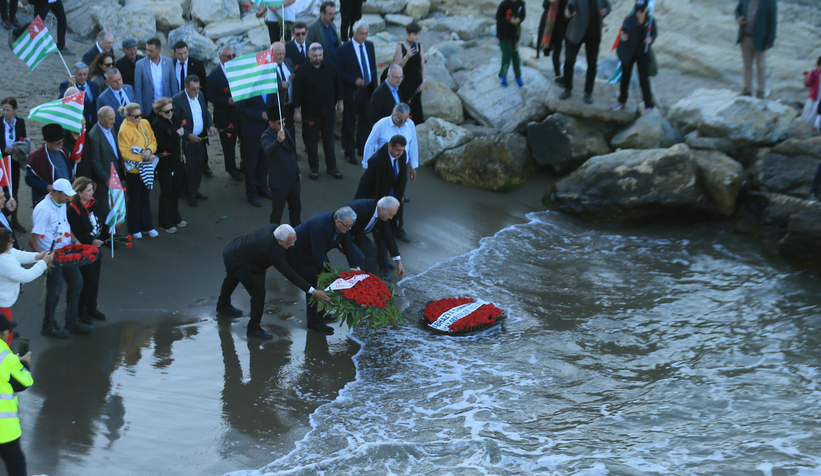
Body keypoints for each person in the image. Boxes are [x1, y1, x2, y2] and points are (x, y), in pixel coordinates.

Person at [217, 224, 331, 339]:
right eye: (290, 243)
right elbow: (290, 275)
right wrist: (313, 291)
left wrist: (265, 263)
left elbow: (260, 248)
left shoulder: (274, 229)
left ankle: (223, 305)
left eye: (294, 241)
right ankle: (253, 329)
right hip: (238, 259)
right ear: (280, 241)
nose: (293, 245)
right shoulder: (276, 253)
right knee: (258, 293)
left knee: (232, 276)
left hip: (233, 248)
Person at [30, 178, 92, 337]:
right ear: (56, 192)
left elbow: (65, 226)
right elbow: (33, 239)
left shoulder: (61, 203)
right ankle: (48, 324)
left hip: (67, 251)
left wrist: (75, 241)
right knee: (55, 289)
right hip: (52, 256)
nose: (69, 198)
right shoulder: (43, 209)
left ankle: (71, 321)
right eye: (66, 195)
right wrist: (43, 260)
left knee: (77, 283)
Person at [286, 207, 360, 334]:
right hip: (299, 252)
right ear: (338, 222)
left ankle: (320, 312)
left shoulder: (344, 226)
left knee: (321, 279)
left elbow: (348, 247)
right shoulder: (321, 227)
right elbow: (318, 255)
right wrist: (332, 275)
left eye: (351, 226)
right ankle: (313, 322)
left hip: (315, 251)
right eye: (348, 226)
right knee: (313, 282)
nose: (350, 229)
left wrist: (356, 270)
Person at [362, 104, 417, 243]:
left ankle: (398, 227)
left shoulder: (410, 124)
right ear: (393, 114)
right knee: (382, 196)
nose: (403, 122)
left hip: (400, 166)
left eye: (405, 119)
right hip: (383, 168)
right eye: (400, 119)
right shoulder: (381, 124)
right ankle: (377, 226)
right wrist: (366, 166)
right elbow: (370, 144)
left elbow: (413, 144)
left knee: (399, 197)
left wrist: (413, 166)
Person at [292, 43, 344, 180]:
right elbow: (297, 93)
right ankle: (313, 167)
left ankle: (332, 166)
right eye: (315, 56)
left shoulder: (330, 66)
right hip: (310, 113)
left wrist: (340, 101)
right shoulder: (302, 71)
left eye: (320, 55)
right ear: (309, 54)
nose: (318, 58)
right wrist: (297, 110)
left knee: (329, 140)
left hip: (329, 112)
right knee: (311, 141)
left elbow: (337, 84)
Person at [356, 134, 409, 262]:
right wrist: (357, 203)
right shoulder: (376, 160)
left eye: (402, 150)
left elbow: (402, 177)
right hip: (379, 199)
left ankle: (384, 258)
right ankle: (382, 261)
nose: (400, 153)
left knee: (391, 227)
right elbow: (365, 182)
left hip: (394, 198)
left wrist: (401, 195)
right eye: (398, 150)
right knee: (380, 231)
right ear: (390, 146)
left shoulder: (402, 156)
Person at [335, 20, 377, 165]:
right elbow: (337, 72)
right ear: (353, 32)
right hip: (352, 91)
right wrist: (354, 80)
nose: (364, 36)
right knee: (349, 122)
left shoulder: (370, 45)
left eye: (366, 33)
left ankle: (362, 147)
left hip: (368, 90)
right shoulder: (344, 49)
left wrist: (374, 87)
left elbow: (372, 66)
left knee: (366, 120)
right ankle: (349, 151)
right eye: (361, 33)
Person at [172, 75, 216, 207]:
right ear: (186, 87)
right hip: (187, 142)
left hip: (200, 139)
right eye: (193, 89)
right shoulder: (177, 100)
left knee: (198, 166)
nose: (197, 91)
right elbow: (175, 123)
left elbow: (205, 113)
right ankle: (189, 194)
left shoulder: (200, 95)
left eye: (198, 88)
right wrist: (188, 135)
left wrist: (210, 126)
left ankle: (195, 190)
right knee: (189, 168)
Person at [66, 177, 106, 324]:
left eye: (92, 189)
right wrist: (91, 241)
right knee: (89, 281)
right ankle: (81, 310)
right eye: (88, 190)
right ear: (79, 192)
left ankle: (92, 307)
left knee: (95, 280)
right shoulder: (73, 209)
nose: (92, 193)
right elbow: (76, 233)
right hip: (84, 250)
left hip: (95, 248)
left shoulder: (92, 203)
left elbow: (100, 219)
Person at [557, 0, 611, 104]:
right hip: (576, 31)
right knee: (569, 61)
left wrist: (605, 11)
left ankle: (588, 92)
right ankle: (567, 88)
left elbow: (608, 7)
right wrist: (568, 10)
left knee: (592, 64)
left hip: (594, 34)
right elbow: (571, 3)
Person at [117, 102, 158, 239]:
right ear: (128, 116)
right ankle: (134, 227)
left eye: (140, 115)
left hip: (147, 167)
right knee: (135, 198)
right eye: (136, 116)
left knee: (145, 197)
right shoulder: (124, 130)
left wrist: (149, 150)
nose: (139, 118)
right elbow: (125, 153)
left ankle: (147, 225)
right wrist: (143, 157)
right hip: (133, 171)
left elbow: (153, 141)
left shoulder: (145, 123)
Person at [0, 224, 52, 327]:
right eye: (10, 240)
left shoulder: (6, 252)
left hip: (4, 301)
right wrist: (44, 262)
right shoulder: (4, 263)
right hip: (2, 305)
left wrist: (38, 256)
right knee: (6, 332)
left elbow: (20, 255)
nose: (13, 241)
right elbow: (26, 276)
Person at [0, 313, 33, 476]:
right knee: (15, 463)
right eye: (8, 331)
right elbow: (24, 382)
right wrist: (24, 365)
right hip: (4, 429)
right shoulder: (6, 357)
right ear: (2, 334)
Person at [344, 196, 405, 282]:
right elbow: (341, 224)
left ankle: (371, 281)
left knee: (372, 249)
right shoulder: (359, 208)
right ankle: (358, 282)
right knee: (360, 257)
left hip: (356, 232)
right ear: (382, 209)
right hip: (342, 233)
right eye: (390, 214)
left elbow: (389, 237)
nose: (391, 218)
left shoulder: (384, 215)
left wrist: (399, 262)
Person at [612, 0, 657, 113]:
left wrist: (651, 39)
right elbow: (624, 32)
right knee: (625, 77)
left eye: (641, 10)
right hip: (629, 51)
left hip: (642, 52)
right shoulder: (629, 19)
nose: (638, 12)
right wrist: (622, 37)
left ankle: (649, 106)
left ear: (646, 10)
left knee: (644, 79)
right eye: (637, 9)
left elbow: (654, 33)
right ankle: (621, 101)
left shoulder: (650, 20)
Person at [206, 46, 243, 182]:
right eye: (228, 56)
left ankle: (244, 165)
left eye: (233, 56)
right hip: (225, 116)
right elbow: (210, 96)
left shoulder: (239, 71)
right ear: (220, 57)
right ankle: (231, 168)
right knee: (228, 146)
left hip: (241, 114)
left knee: (245, 141)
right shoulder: (214, 76)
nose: (232, 58)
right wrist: (227, 101)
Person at [84, 106, 121, 238]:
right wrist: (106, 178)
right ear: (101, 119)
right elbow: (95, 161)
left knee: (115, 205)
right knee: (106, 208)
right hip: (105, 180)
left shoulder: (110, 128)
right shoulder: (94, 135)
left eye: (114, 118)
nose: (114, 122)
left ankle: (114, 232)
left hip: (115, 175)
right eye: (110, 119)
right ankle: (107, 236)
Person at [151, 98, 187, 233]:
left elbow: (181, 140)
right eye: (167, 111)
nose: (170, 113)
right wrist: (177, 135)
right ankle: (164, 222)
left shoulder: (175, 118)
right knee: (167, 192)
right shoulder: (157, 124)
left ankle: (175, 216)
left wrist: (182, 153)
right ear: (159, 111)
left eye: (172, 110)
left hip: (177, 160)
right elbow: (162, 145)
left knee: (176, 190)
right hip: (165, 163)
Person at [261, 110, 301, 225]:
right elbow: (268, 151)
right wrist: (278, 141)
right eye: (279, 123)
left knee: (296, 210)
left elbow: (292, 152)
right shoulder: (266, 136)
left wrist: (297, 171)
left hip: (293, 179)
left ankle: (297, 232)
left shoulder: (285, 131)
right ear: (271, 123)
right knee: (277, 213)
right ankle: (273, 234)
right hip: (279, 182)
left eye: (284, 121)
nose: (283, 125)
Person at [236, 90, 275, 207]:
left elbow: (274, 103)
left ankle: (262, 187)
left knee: (264, 161)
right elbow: (240, 107)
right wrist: (260, 115)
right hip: (251, 131)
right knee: (251, 163)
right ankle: (251, 192)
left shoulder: (270, 85)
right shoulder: (248, 86)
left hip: (267, 130)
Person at [735, 0, 777, 98]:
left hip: (761, 40)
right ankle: (747, 89)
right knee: (747, 65)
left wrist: (769, 42)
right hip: (745, 37)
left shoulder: (769, 2)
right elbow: (738, 10)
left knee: (761, 66)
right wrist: (738, 18)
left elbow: (773, 22)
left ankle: (761, 91)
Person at [25, 124, 75, 204]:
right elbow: (29, 179)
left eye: (62, 141)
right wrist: (46, 186)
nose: (61, 144)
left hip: (66, 195)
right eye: (58, 143)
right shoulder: (36, 157)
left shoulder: (65, 152)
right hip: (49, 198)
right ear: (49, 143)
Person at [134, 38, 179, 121]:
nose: (148, 53)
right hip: (149, 108)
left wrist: (174, 105)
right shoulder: (140, 64)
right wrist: (140, 108)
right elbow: (138, 89)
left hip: (166, 107)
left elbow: (173, 85)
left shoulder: (169, 62)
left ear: (159, 51)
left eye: (151, 51)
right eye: (147, 50)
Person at [1, 98, 26, 232]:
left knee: (14, 189)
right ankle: (4, 217)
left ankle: (14, 220)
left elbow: (24, 140)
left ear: (15, 110)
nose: (5, 112)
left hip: (14, 161)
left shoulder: (20, 122)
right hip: (1, 160)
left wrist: (19, 148)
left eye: (8, 110)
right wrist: (4, 148)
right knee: (4, 189)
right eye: (3, 109)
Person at [394, 22, 427, 122]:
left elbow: (422, 65)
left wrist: (423, 81)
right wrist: (407, 56)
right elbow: (397, 66)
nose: (417, 37)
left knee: (416, 106)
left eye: (419, 34)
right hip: (405, 82)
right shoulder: (400, 46)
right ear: (408, 33)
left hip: (417, 81)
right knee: (405, 105)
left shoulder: (419, 46)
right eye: (414, 34)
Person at [59, 62, 100, 127]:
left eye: (84, 74)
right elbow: (61, 101)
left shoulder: (94, 85)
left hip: (93, 122)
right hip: (79, 123)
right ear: (74, 75)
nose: (82, 77)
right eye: (80, 75)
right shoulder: (65, 85)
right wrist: (70, 87)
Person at [96, 68, 136, 133]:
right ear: (108, 82)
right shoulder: (102, 99)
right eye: (114, 81)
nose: (119, 83)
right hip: (119, 132)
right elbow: (103, 122)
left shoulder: (129, 88)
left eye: (119, 79)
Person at [271, 42, 297, 143]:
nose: (282, 56)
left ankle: (292, 150)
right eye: (279, 54)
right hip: (276, 106)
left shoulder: (288, 62)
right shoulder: (267, 67)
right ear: (272, 53)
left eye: (283, 53)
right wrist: (280, 85)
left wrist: (294, 78)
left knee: (290, 131)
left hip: (289, 106)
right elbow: (265, 84)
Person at [496, 1, 525, 88]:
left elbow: (523, 15)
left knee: (515, 55)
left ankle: (518, 75)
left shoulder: (521, 4)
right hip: (504, 35)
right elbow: (498, 18)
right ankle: (503, 74)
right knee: (507, 55)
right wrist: (509, 21)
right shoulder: (504, 4)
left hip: (515, 35)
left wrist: (519, 20)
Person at [540, 0, 570, 80]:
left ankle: (560, 74)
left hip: (563, 26)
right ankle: (557, 73)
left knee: (558, 50)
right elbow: (544, 5)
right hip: (550, 25)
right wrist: (549, 1)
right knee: (550, 49)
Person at [801, 57, 820, 130]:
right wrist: (806, 76)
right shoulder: (814, 73)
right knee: (810, 113)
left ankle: (817, 128)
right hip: (814, 98)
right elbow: (808, 84)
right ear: (817, 65)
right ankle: (809, 128)